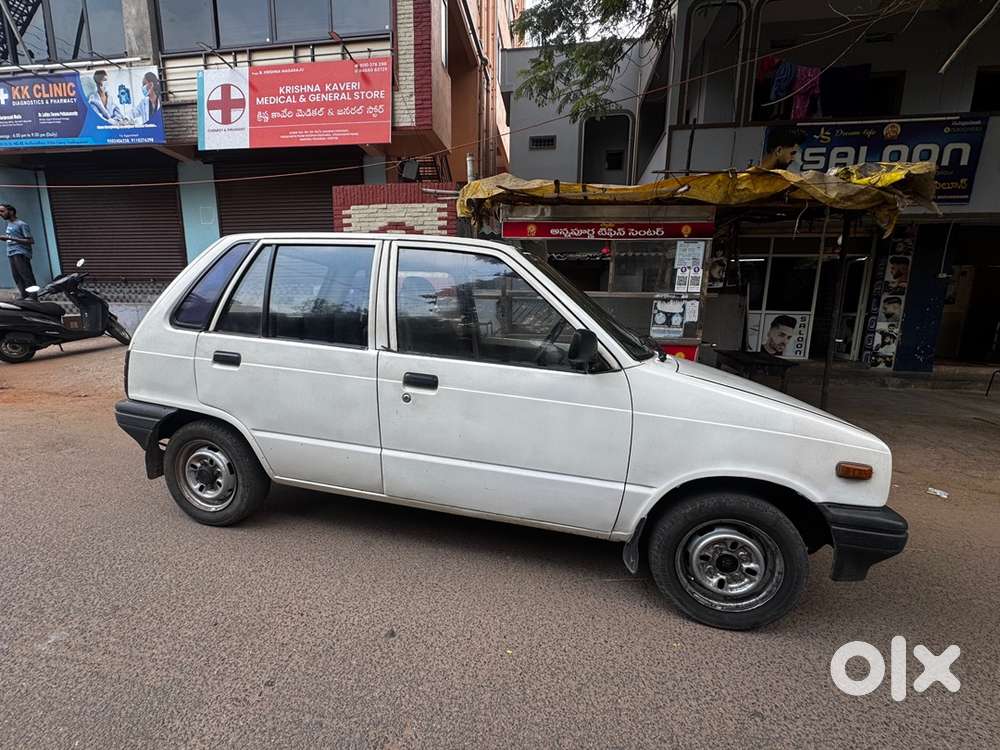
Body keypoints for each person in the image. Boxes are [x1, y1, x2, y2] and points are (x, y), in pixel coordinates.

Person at [3, 204, 36, 299]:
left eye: (2, 211)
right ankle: (24, 295)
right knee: (16, 276)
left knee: (26, 275)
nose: (0, 214)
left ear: (11, 212)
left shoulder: (21, 224)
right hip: (11, 252)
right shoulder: (9, 224)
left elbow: (30, 241)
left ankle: (33, 296)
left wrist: (9, 238)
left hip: (20, 253)